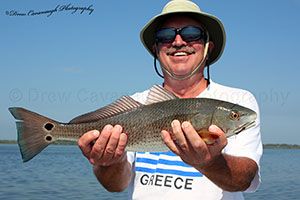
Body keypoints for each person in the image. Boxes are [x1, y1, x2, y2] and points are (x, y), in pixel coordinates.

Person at [77, 0, 263, 199]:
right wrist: (109, 161)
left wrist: (209, 162)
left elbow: (245, 179)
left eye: (192, 34)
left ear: (208, 48)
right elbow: (115, 186)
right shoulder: (136, 105)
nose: (178, 42)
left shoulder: (239, 99)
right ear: (156, 50)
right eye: (165, 36)